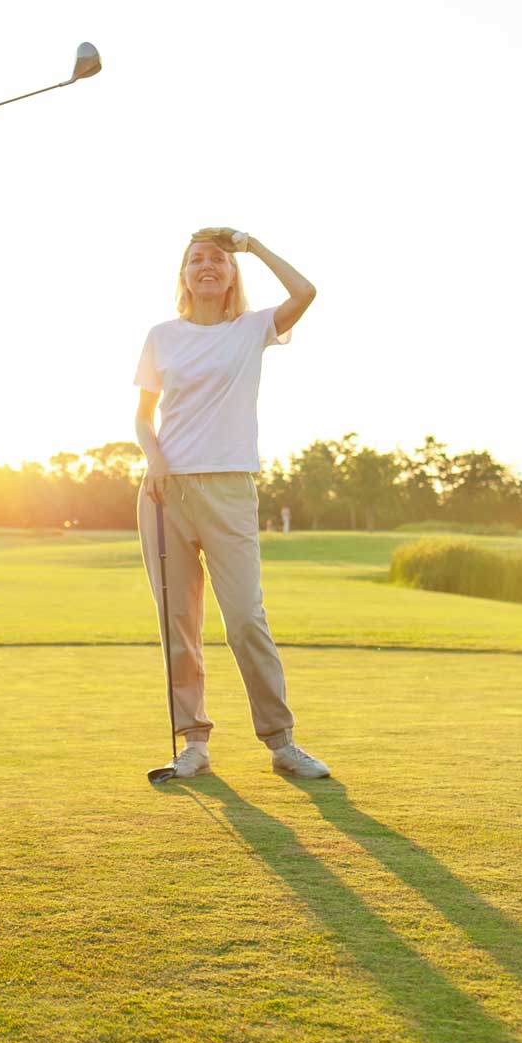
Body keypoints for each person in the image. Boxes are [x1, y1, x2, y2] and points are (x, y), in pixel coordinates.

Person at [132, 226, 329, 780]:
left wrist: (253, 244)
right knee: (179, 625)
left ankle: (282, 741)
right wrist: (154, 458)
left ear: (232, 273)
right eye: (196, 259)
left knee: (245, 618)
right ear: (184, 276)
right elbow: (143, 417)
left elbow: (305, 292)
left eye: (218, 259)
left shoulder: (250, 330)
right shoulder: (161, 336)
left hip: (229, 488)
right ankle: (192, 743)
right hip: (164, 492)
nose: (207, 265)